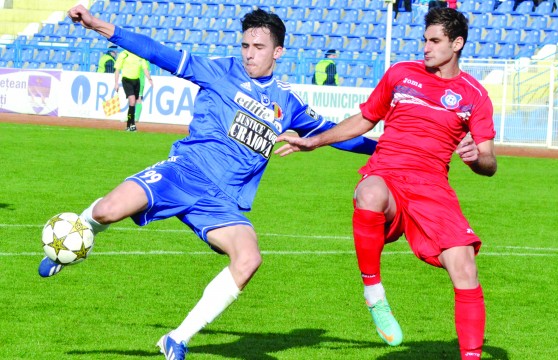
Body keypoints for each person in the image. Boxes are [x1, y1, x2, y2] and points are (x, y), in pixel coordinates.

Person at [41, 5, 377, 360]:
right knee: (108, 211)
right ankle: (73, 243)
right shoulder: (219, 69)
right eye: (246, 45)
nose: (249, 53)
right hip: (183, 172)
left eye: (259, 47)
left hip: (221, 201)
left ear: (278, 52)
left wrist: (386, 148)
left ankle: (177, 338)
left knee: (248, 258)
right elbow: (158, 52)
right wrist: (98, 26)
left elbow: (338, 134)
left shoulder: (287, 102)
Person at [276, 7, 497, 359]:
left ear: (457, 43)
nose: (425, 47)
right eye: (424, 39)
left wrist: (476, 158)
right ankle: (374, 294)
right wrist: (316, 141)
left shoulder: (475, 95)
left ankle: (470, 355)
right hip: (389, 173)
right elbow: (365, 118)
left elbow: (489, 161)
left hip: (433, 188)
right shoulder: (400, 74)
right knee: (369, 192)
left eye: (435, 41)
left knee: (465, 267)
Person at [114, 49, 152, 131]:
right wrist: (116, 83)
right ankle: (132, 124)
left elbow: (145, 68)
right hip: (126, 80)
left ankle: (129, 125)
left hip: (137, 81)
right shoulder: (123, 54)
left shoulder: (140, 54)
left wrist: (149, 79)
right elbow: (117, 69)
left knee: (133, 102)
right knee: (132, 100)